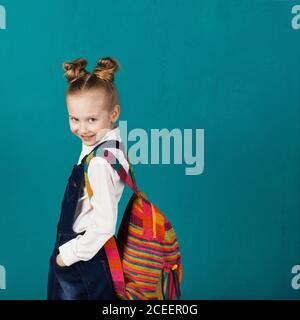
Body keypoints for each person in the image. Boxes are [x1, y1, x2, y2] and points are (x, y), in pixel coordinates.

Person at [47, 57, 129, 300]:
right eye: (75, 119)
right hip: (92, 255)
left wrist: (67, 256)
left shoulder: (100, 163)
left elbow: (104, 224)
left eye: (91, 119)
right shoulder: (109, 144)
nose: (82, 129)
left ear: (114, 113)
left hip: (83, 257)